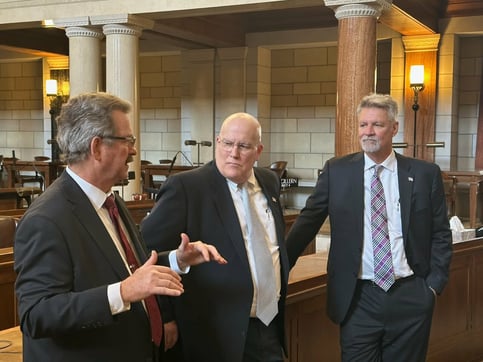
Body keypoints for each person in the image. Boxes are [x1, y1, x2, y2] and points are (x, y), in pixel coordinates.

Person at [14, 92, 226, 362]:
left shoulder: (111, 202)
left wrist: (175, 259)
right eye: (127, 140)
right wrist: (123, 292)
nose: (134, 150)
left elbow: (126, 269)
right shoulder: (45, 219)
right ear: (97, 148)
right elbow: (36, 315)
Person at [285, 93, 452, 362]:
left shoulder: (424, 173)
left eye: (377, 125)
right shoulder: (337, 171)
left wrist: (432, 286)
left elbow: (440, 233)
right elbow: (307, 222)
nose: (368, 132)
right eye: (363, 125)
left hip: (411, 293)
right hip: (357, 296)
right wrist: (280, 267)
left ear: (394, 128)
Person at [141, 112, 289, 362]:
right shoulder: (186, 187)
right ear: (218, 142)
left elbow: (273, 245)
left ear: (258, 150)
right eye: (227, 143)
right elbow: (146, 252)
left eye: (243, 146)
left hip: (269, 324)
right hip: (214, 333)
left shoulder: (269, 181)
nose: (234, 153)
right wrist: (165, 316)